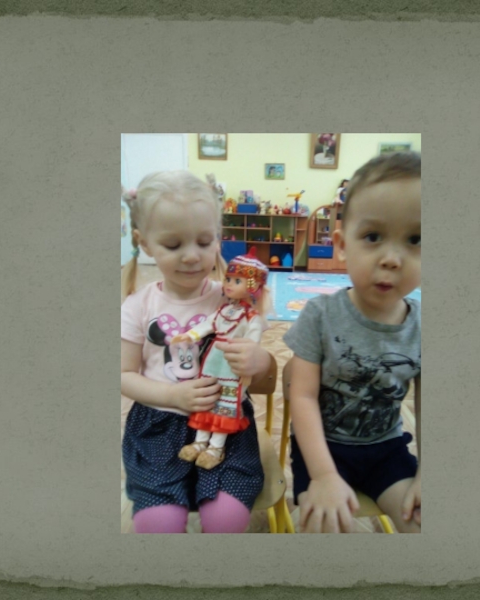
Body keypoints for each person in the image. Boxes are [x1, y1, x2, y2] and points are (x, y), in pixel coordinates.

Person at [120, 170, 272, 533]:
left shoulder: (232, 300)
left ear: (218, 238)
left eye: (204, 242)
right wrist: (173, 395)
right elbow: (123, 375)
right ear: (144, 243)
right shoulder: (137, 306)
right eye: (174, 245)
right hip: (158, 428)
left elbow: (264, 372)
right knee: (159, 523)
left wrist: (261, 360)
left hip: (227, 425)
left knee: (226, 519)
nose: (191, 256)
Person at [283, 152, 422, 533]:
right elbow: (302, 396)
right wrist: (324, 475)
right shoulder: (319, 314)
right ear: (342, 244)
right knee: (323, 527)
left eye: (416, 239)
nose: (392, 259)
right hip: (322, 450)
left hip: (387, 450)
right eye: (373, 237)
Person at [171, 251, 272, 470]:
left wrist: (248, 367)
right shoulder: (223, 310)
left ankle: (216, 446)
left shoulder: (251, 318)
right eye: (228, 279)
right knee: (208, 399)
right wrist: (190, 335)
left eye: (237, 281)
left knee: (225, 404)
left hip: (232, 365)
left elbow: (252, 346)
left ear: (252, 286)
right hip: (212, 361)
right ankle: (200, 442)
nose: (229, 284)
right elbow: (208, 324)